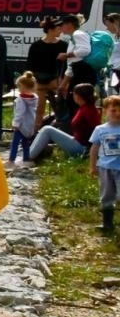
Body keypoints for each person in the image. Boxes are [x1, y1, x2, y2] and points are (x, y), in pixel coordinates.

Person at [27, 83, 100, 162]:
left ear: (78, 96)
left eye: (73, 94)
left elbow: (97, 129)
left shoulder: (88, 110)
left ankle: (27, 158)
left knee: (47, 129)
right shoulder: (84, 107)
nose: (73, 96)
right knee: (47, 129)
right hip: (78, 142)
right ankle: (29, 153)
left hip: (82, 147)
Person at [24, 16, 68, 124]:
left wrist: (63, 79)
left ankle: (60, 128)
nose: (60, 31)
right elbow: (30, 64)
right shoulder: (36, 45)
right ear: (50, 30)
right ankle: (35, 131)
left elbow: (66, 64)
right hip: (39, 79)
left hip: (55, 78)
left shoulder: (63, 45)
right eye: (58, 29)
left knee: (59, 107)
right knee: (39, 107)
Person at [89, 96, 120, 235]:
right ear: (106, 110)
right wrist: (92, 166)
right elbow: (94, 148)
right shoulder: (100, 129)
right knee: (106, 194)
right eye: (113, 110)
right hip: (105, 167)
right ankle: (107, 223)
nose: (117, 114)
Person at [8, 72, 39, 169]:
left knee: (15, 143)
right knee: (26, 143)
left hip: (20, 125)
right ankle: (26, 159)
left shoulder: (20, 100)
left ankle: (11, 160)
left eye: (19, 87)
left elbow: (19, 113)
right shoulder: (35, 98)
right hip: (30, 124)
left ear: (22, 87)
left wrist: (15, 123)